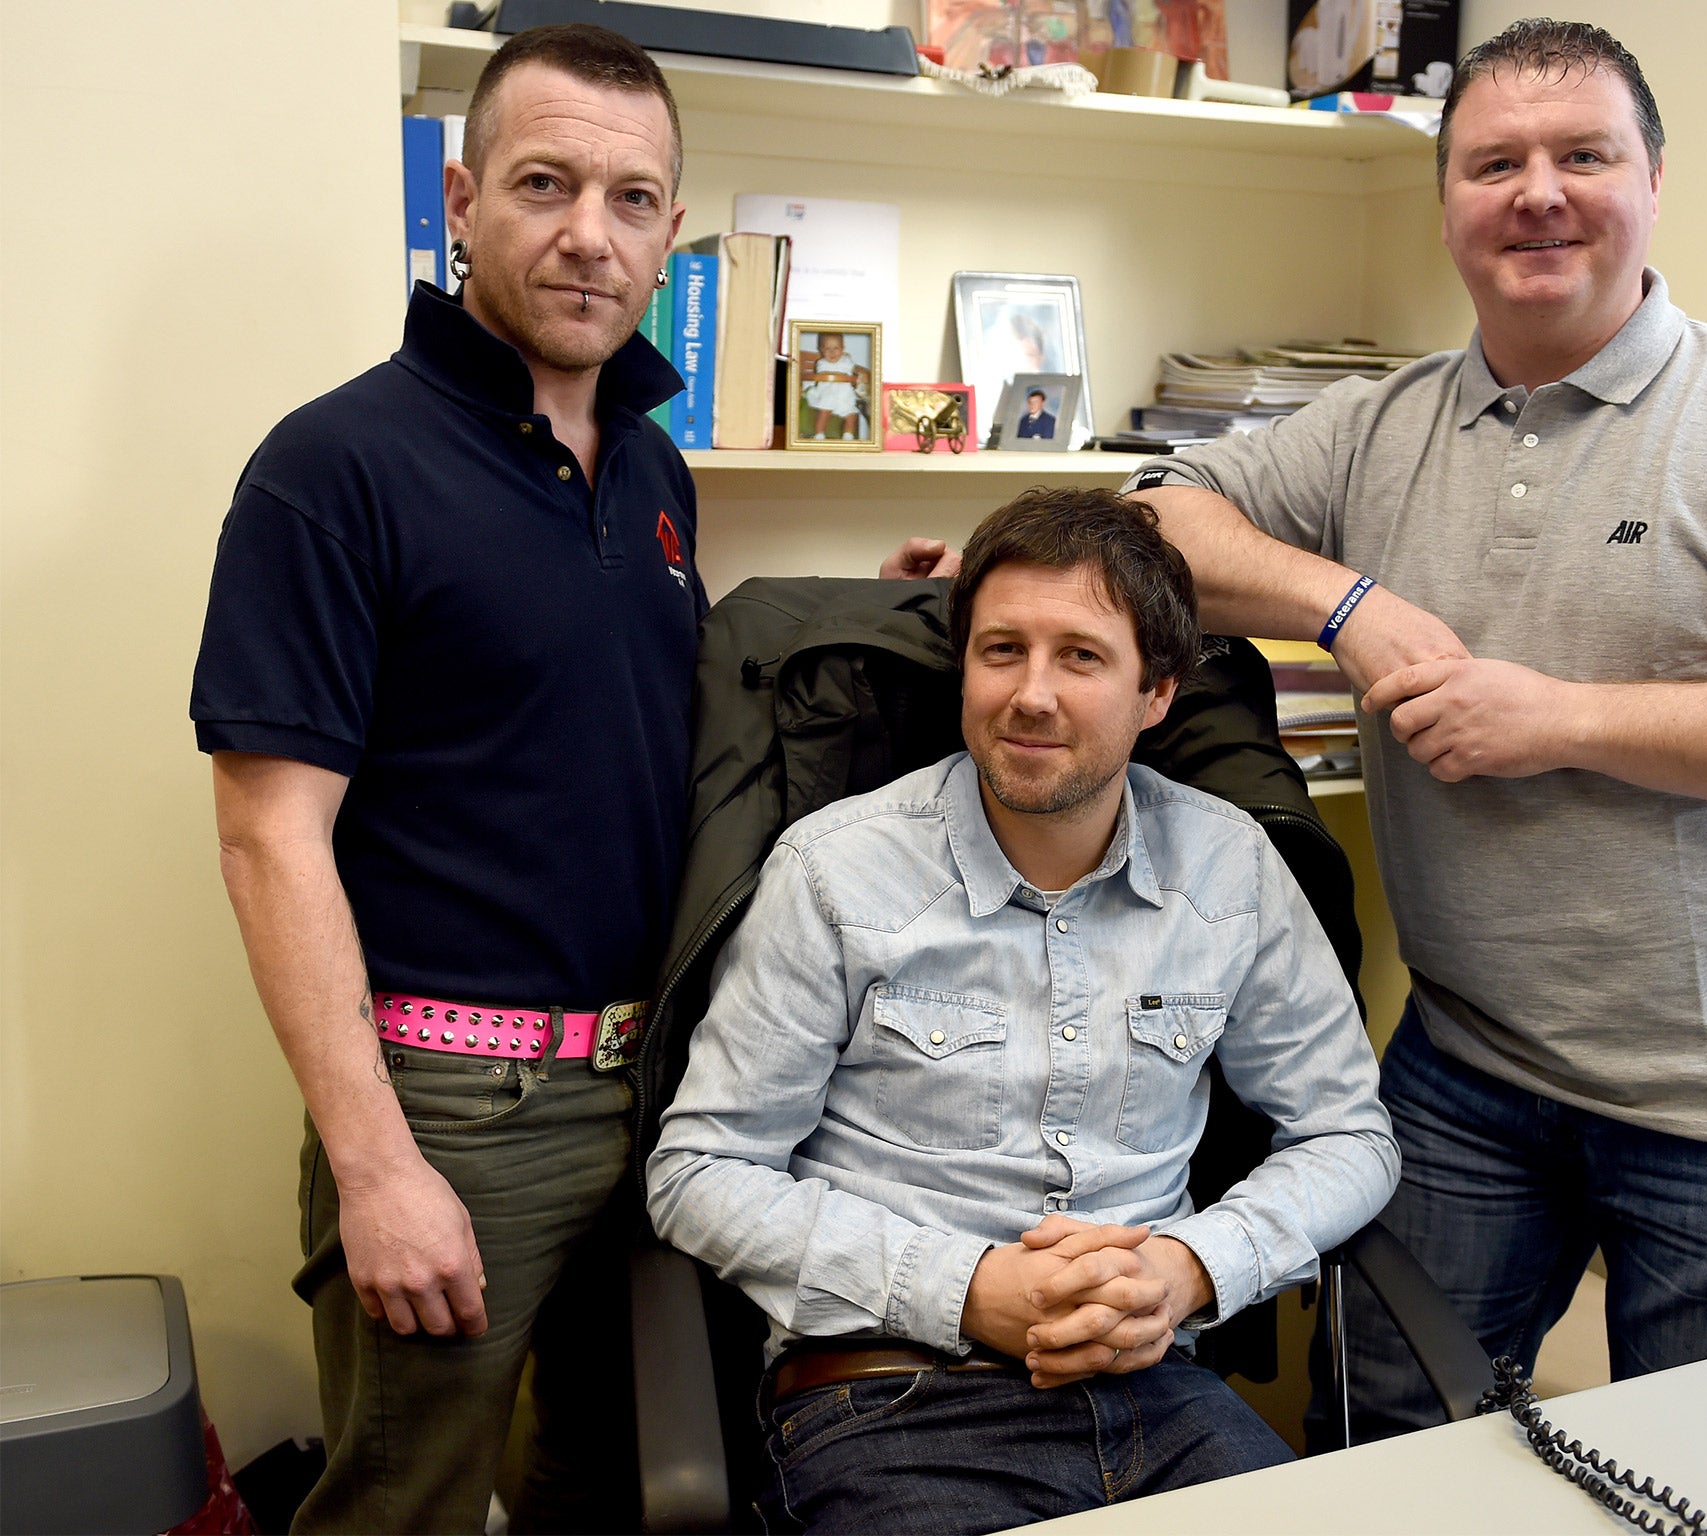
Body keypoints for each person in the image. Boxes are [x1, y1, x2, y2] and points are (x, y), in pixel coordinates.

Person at [1124, 18, 1707, 1443]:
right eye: (1495, 162)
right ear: (1447, 197)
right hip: (1470, 1068)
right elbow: (1152, 523)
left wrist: (1558, 718)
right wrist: (1351, 606)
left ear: (1653, 180)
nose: (1540, 193)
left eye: (1585, 155)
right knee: (1380, 1445)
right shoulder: (1382, 426)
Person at [192, 23, 937, 1529]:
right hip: (453, 1106)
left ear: (675, 225)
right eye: (544, 184)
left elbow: (631, 705)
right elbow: (272, 841)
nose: (589, 235)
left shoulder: (650, 464)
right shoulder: (332, 471)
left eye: (634, 197)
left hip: (666, 1087)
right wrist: (377, 1165)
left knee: (615, 1485)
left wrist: (886, 609)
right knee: (403, 1507)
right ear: (462, 200)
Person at [647, 487, 1399, 1532]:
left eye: (1080, 658)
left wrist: (1189, 1270)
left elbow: (1347, 1136)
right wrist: (963, 1287)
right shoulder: (835, 872)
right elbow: (699, 1173)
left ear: (1155, 694)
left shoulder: (1230, 869)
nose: (1030, 695)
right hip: (890, 1396)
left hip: (1156, 1391)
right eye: (1001, 651)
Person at [802, 331, 867, 440]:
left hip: (844, 396)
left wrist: (861, 372)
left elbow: (854, 368)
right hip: (828, 393)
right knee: (824, 412)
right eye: (827, 349)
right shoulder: (822, 363)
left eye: (836, 348)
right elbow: (823, 374)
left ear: (842, 349)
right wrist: (842, 376)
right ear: (822, 350)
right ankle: (819, 434)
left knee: (852, 415)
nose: (832, 352)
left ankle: (848, 435)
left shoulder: (847, 361)